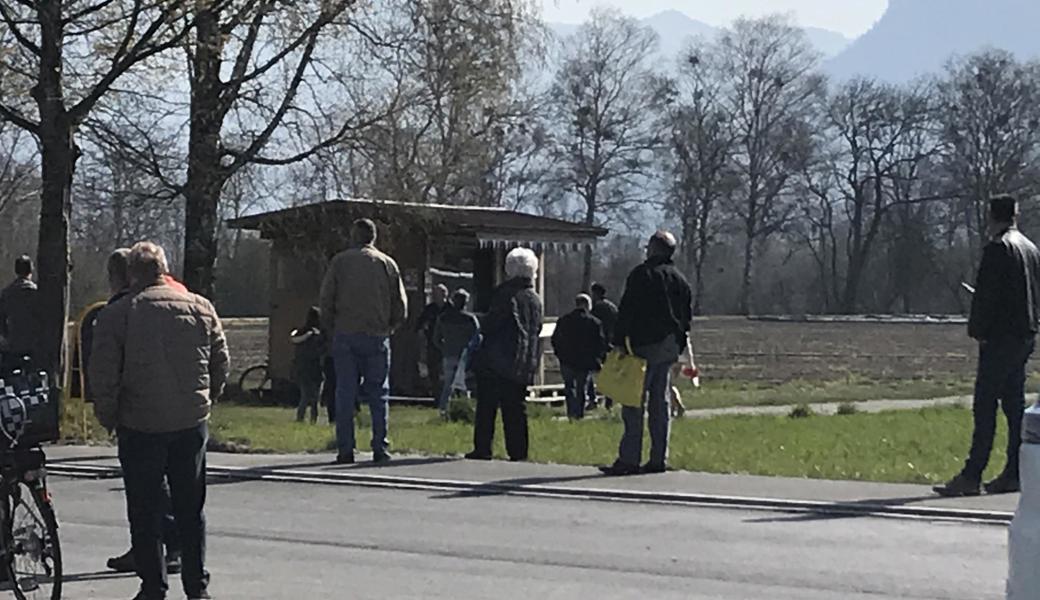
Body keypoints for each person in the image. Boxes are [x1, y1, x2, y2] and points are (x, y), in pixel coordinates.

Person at [91, 241, 229, 600]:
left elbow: (103, 373)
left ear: (133, 273)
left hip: (140, 423)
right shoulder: (201, 307)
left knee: (145, 509)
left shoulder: (119, 313)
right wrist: (205, 400)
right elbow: (220, 360)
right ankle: (196, 587)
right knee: (190, 508)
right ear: (165, 270)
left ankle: (153, 586)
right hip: (189, 421)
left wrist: (109, 416)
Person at [935, 195, 1040, 497]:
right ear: (1016, 215)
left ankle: (972, 474)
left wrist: (978, 330)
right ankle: (1015, 472)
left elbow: (987, 297)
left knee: (985, 406)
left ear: (993, 217)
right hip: (1025, 336)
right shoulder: (1031, 249)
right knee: (1015, 407)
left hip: (1000, 338)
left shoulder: (997, 248)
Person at [97, 249, 183, 577]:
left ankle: (157, 554)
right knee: (175, 486)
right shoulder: (178, 294)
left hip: (141, 408)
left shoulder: (124, 308)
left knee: (146, 490)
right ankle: (170, 555)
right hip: (183, 404)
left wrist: (108, 411)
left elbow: (108, 367)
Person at [600, 231, 692, 476]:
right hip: (669, 346)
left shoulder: (642, 275)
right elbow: (686, 317)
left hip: (642, 346)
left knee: (633, 401)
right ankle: (658, 458)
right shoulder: (680, 280)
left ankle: (629, 458)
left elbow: (628, 310)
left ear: (653, 248)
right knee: (660, 402)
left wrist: (618, 341)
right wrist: (679, 345)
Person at [320, 219, 408, 465]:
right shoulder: (387, 264)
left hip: (345, 334)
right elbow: (401, 305)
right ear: (374, 237)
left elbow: (326, 299)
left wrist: (330, 328)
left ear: (353, 236)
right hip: (377, 335)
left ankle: (345, 449)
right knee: (379, 394)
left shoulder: (339, 262)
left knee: (345, 393)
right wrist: (390, 326)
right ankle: (380, 447)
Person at [466, 248, 544, 462]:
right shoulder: (535, 299)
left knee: (487, 406)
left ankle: (483, 448)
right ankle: (518, 452)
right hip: (524, 360)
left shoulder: (504, 294)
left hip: (497, 358)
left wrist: (479, 322)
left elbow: (491, 324)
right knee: (516, 408)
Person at [551, 293, 607, 420]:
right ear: (587, 305)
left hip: (567, 360)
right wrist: (597, 358)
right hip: (585, 361)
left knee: (569, 386)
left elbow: (555, 339)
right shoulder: (594, 322)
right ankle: (579, 413)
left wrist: (559, 354)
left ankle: (571, 411)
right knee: (582, 387)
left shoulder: (564, 320)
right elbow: (600, 343)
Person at [432, 289, 480, 417]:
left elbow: (436, 338)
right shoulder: (470, 319)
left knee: (448, 384)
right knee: (464, 384)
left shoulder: (443, 318)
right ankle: (465, 410)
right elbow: (478, 338)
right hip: (465, 356)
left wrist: (444, 348)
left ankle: (443, 409)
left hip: (448, 354)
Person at [0, 255, 39, 370]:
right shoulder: (37, 294)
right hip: (35, 346)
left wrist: (7, 335)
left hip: (13, 345)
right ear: (31, 271)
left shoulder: (7, 293)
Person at [291, 307, 325, 424]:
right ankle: (313, 420)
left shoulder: (301, 332)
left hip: (303, 368)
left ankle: (301, 418)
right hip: (315, 368)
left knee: (305, 396)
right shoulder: (318, 334)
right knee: (314, 398)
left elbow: (293, 338)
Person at [588, 283, 619, 410]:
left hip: (598, 344)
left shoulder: (597, 308)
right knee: (609, 373)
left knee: (588, 371)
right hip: (611, 344)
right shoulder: (612, 307)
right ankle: (609, 400)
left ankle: (592, 399)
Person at [418, 284, 449, 399]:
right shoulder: (430, 309)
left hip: (447, 345)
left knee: (446, 371)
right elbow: (420, 324)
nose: (436, 297)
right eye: (435, 294)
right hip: (432, 343)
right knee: (433, 369)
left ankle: (445, 394)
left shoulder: (450, 309)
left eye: (439, 294)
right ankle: (436, 393)